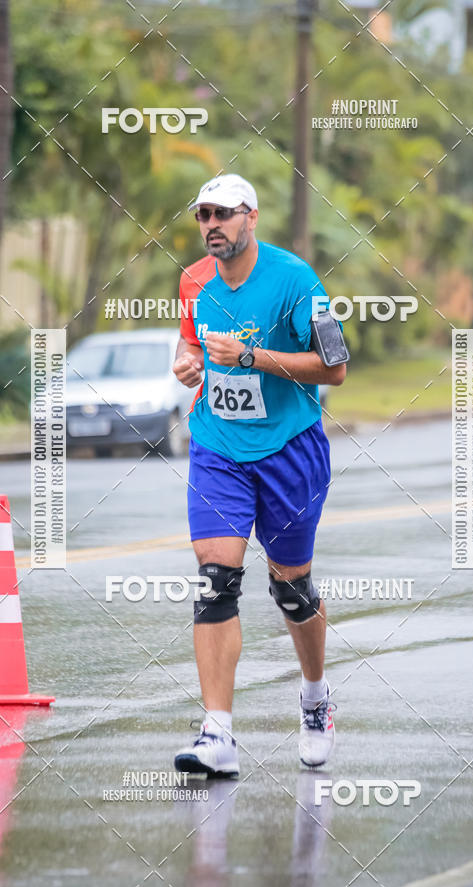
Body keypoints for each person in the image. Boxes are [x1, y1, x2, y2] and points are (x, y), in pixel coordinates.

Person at [172, 174, 346, 778]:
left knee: (291, 589)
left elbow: (335, 367)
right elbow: (191, 343)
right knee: (215, 579)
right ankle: (216, 732)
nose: (211, 224)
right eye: (202, 215)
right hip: (218, 445)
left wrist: (251, 357)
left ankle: (316, 698)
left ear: (250, 216)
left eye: (222, 213)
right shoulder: (193, 281)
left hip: (288, 449)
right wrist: (189, 360)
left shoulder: (296, 281)